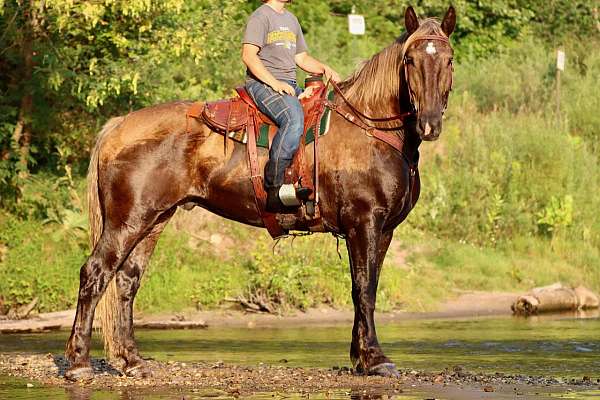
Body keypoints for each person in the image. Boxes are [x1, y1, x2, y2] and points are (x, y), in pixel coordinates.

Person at [242, 0, 340, 212]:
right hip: (262, 84)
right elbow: (248, 56)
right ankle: (274, 187)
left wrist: (325, 68)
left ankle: (302, 178)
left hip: (289, 85)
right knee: (293, 119)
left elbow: (301, 58)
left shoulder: (291, 19)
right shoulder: (261, 16)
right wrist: (275, 84)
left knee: (319, 110)